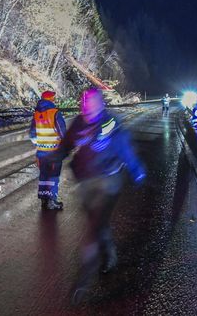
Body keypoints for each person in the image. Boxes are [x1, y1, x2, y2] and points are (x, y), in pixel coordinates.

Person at [50, 88, 146, 304]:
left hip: (108, 181)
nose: (87, 109)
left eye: (91, 104)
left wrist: (136, 169)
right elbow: (66, 146)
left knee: (93, 228)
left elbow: (124, 148)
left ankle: (82, 282)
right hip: (85, 182)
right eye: (84, 104)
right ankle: (110, 251)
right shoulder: (78, 123)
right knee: (98, 224)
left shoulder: (111, 123)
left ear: (101, 105)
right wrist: (54, 156)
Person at [29, 90, 67, 210]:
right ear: (51, 99)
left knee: (44, 175)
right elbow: (62, 132)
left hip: (41, 151)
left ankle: (44, 200)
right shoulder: (55, 113)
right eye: (53, 98)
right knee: (53, 174)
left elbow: (32, 134)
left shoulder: (36, 113)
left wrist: (40, 144)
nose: (54, 100)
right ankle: (52, 201)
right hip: (54, 150)